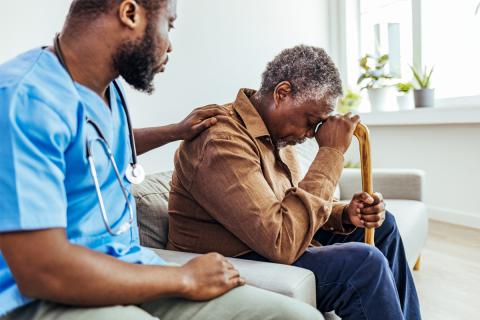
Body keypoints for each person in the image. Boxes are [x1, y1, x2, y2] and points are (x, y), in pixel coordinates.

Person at [0, 1, 323, 319]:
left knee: (295, 316)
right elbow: (41, 271)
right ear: (130, 13)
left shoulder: (107, 91)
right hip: (43, 295)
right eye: (168, 25)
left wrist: (174, 131)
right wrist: (184, 277)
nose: (169, 45)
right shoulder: (22, 98)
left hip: (128, 268)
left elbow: (95, 148)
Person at [167, 45, 422, 320]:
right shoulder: (220, 142)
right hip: (236, 257)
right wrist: (331, 153)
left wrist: (345, 215)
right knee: (363, 264)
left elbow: (293, 206)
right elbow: (281, 240)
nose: (311, 134)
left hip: (269, 240)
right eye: (311, 122)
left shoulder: (277, 135)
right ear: (282, 93)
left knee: (385, 226)